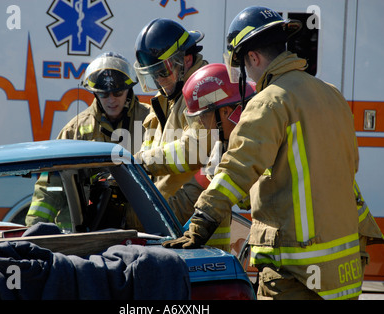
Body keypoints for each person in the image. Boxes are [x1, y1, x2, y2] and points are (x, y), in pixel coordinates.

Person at [163, 6, 369, 300]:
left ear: (254, 58)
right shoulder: (331, 94)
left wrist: (201, 222)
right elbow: (340, 167)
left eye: (240, 67)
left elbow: (237, 169)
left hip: (296, 271)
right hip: (344, 270)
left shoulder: (268, 102)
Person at [25, 52, 150, 231]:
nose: (111, 100)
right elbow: (50, 186)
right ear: (95, 93)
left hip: (141, 229)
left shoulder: (150, 121)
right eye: (104, 94)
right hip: (86, 230)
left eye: (117, 92)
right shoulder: (74, 130)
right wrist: (33, 231)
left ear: (129, 89)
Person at [167, 63, 256, 252]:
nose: (202, 125)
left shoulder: (256, 133)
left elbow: (248, 195)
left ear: (224, 112)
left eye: (204, 118)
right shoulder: (224, 143)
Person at [133, 18, 211, 201]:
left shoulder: (205, 90)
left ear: (187, 60)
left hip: (193, 219)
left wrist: (143, 161)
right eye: (153, 74)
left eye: (163, 71)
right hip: (167, 215)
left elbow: (196, 148)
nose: (159, 79)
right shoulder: (163, 100)